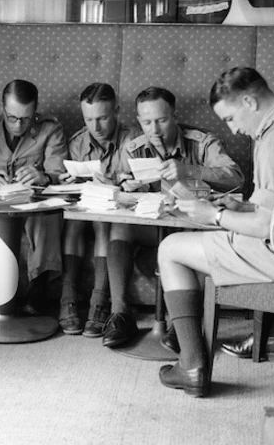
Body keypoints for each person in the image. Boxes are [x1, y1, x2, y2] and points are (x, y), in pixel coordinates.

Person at [157, 67, 274, 397]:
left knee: (170, 248)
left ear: (250, 102)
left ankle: (191, 365)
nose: (234, 130)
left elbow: (266, 225)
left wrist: (215, 214)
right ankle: (268, 337)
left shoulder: (273, 139)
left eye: (230, 118)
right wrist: (235, 206)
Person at [102, 87, 244, 349]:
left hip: (191, 225)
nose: (154, 130)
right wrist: (126, 184)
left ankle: (182, 323)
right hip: (154, 223)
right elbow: (119, 182)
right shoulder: (134, 147)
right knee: (119, 226)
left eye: (161, 120)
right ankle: (120, 313)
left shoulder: (202, 142)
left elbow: (235, 177)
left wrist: (189, 170)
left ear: (174, 116)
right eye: (146, 122)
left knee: (203, 234)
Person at [0, 79, 68, 315]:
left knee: (47, 214)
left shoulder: (50, 130)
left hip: (34, 203)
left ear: (35, 111)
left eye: (25, 118)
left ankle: (38, 287)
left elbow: (59, 173)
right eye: (12, 117)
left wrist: (42, 176)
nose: (17, 125)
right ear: (3, 108)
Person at [58, 83, 138, 335]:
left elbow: (144, 184)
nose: (96, 127)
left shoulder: (133, 139)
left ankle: (99, 301)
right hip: (85, 208)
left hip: (117, 211)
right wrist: (70, 181)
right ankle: (67, 298)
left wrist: (116, 183)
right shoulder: (78, 143)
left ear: (116, 110)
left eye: (103, 118)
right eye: (89, 119)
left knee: (102, 220)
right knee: (73, 221)